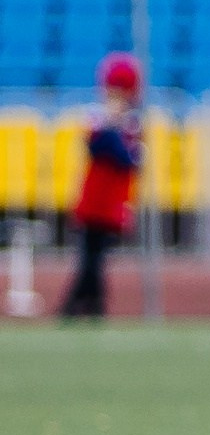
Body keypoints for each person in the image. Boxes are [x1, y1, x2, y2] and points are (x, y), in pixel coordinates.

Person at [58, 52, 143, 320]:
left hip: (112, 203)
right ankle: (82, 305)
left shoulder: (130, 124)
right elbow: (96, 148)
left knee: (96, 257)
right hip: (94, 201)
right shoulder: (99, 120)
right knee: (89, 257)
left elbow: (128, 160)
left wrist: (117, 127)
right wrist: (110, 124)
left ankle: (87, 304)